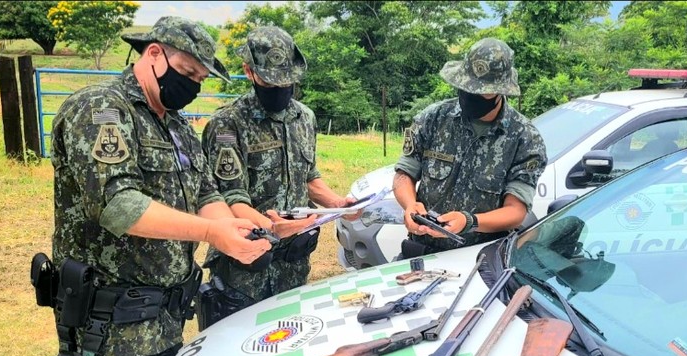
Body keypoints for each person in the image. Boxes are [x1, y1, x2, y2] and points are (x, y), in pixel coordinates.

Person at [48, 16, 270, 356]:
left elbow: (207, 192)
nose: (191, 85)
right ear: (153, 54)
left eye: (200, 79)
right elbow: (118, 205)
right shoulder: (100, 109)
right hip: (111, 322)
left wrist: (236, 228)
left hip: (167, 312)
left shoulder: (176, 125)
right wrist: (212, 232)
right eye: (187, 73)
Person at [197, 26, 356, 329]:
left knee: (291, 342)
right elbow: (228, 196)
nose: (281, 87)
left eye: (288, 80)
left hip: (293, 264)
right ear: (249, 71)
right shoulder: (228, 124)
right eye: (272, 81)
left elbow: (308, 176)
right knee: (237, 354)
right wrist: (268, 226)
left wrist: (339, 204)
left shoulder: (304, 118)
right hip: (244, 268)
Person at [393, 37, 547, 258]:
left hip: (479, 259)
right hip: (421, 251)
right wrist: (410, 205)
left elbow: (516, 211)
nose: (471, 94)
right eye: (467, 87)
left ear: (500, 91)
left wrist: (470, 221)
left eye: (481, 90)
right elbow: (403, 174)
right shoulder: (434, 119)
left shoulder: (524, 139)